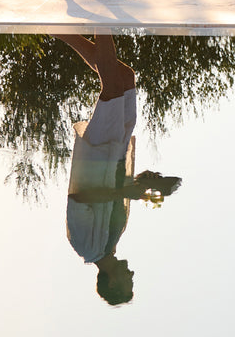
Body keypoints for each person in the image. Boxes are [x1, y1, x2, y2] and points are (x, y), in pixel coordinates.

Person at [54, 33, 181, 305]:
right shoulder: (116, 237)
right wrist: (146, 183)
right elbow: (118, 189)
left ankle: (101, 20)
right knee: (126, 78)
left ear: (111, 283)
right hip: (118, 154)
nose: (132, 274)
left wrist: (126, 193)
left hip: (98, 157)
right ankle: (62, 32)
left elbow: (79, 199)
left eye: (128, 282)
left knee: (111, 89)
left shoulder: (84, 246)